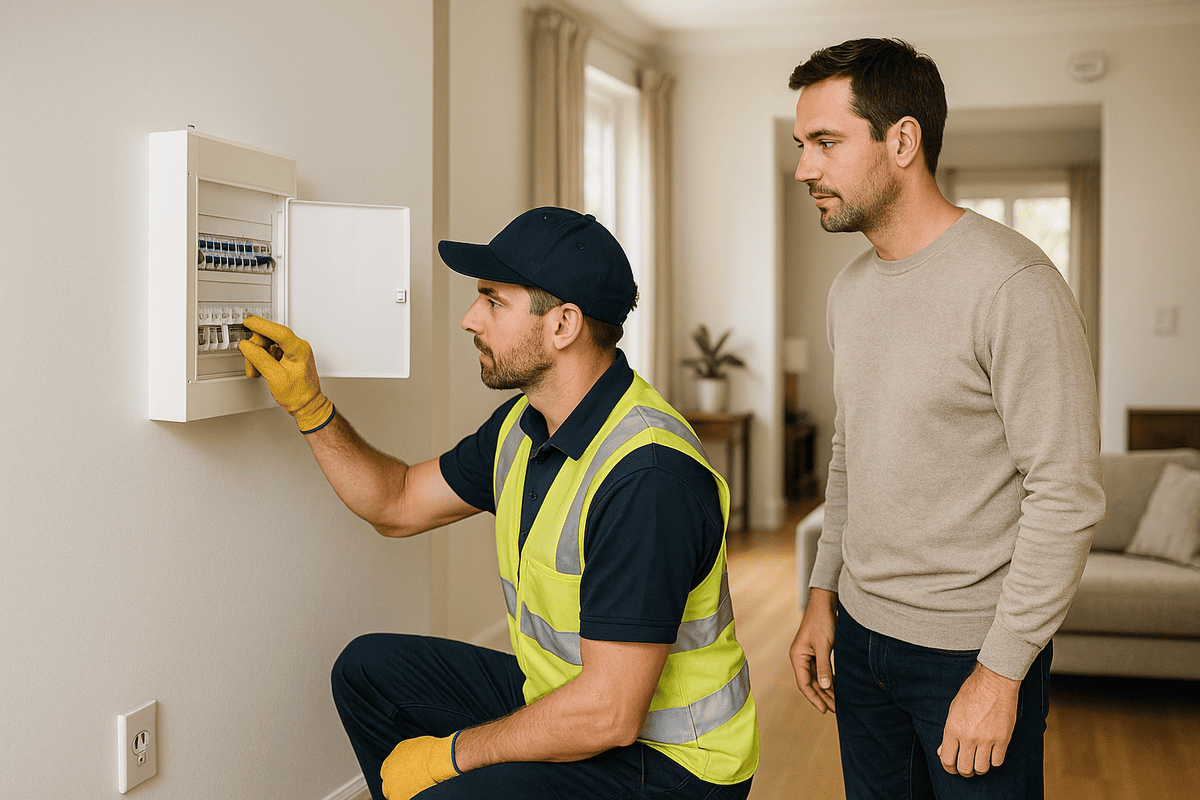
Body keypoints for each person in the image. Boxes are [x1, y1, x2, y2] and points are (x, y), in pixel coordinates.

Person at [238, 207, 759, 800]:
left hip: (670, 766)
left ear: (563, 324)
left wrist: (451, 756)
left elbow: (609, 715)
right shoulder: (523, 424)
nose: (469, 319)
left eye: (492, 301)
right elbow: (398, 501)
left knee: (445, 789)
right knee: (368, 673)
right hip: (567, 696)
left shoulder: (648, 476)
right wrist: (311, 408)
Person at [785, 38, 1105, 799]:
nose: (804, 168)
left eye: (826, 143)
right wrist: (822, 595)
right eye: (802, 145)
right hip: (860, 643)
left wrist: (1001, 671)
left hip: (969, 654)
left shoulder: (1014, 284)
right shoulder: (850, 291)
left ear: (903, 140)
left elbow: (1065, 495)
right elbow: (848, 453)